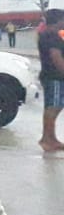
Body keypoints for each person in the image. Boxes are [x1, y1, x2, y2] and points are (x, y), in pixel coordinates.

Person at [36, 9, 64, 152]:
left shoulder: (46, 34)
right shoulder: (52, 36)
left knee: (53, 107)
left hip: (50, 75)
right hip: (54, 76)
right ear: (58, 20)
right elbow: (56, 57)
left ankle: (50, 138)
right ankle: (47, 139)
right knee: (53, 107)